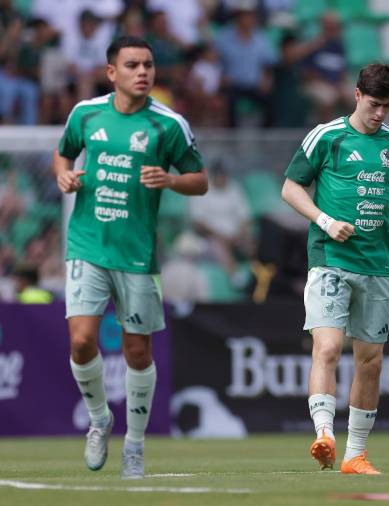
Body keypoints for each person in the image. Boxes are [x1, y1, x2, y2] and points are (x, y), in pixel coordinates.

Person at [54, 35, 208, 478]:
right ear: (112, 73)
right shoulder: (86, 113)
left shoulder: (169, 125)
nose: (143, 72)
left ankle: (135, 446)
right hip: (87, 243)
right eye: (133, 65)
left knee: (137, 352)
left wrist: (170, 181)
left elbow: (200, 180)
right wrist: (64, 177)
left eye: (148, 65)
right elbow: (62, 155)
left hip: (138, 255)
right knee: (81, 340)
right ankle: (100, 419)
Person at [281, 63, 389, 475]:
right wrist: (324, 221)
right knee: (326, 348)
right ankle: (324, 435)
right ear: (357, 95)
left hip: (377, 264)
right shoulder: (327, 136)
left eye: (388, 107)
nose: (381, 114)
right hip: (331, 260)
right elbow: (290, 188)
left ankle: (355, 454)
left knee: (370, 360)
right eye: (375, 104)